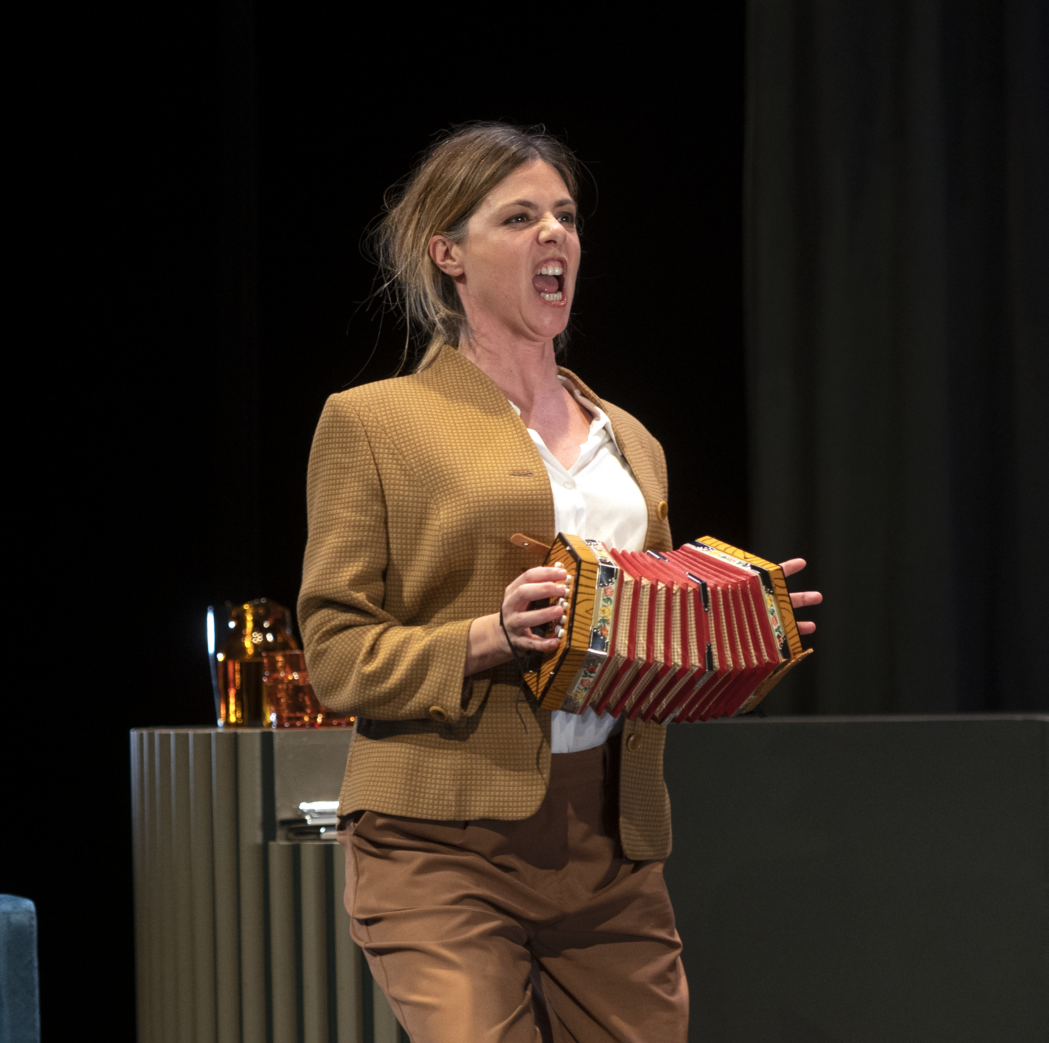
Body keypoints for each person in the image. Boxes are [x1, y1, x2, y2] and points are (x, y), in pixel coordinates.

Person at [298, 123, 821, 1043]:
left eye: (565, 217)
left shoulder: (632, 441)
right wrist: (484, 638)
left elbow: (635, 642)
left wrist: (729, 633)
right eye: (519, 217)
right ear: (447, 254)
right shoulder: (373, 423)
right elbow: (336, 654)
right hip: (438, 841)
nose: (555, 235)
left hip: (609, 845)